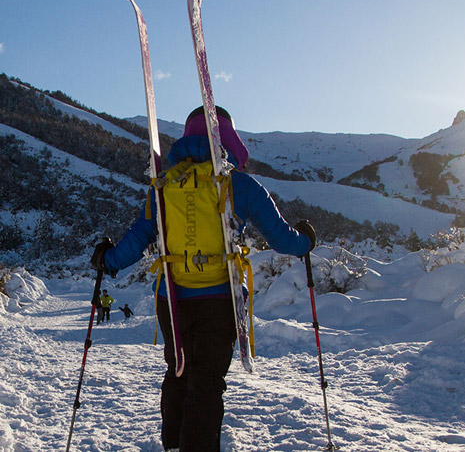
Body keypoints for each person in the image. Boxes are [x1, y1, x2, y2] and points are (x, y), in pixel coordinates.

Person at [91, 105, 316, 452]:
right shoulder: (239, 185)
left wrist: (106, 259)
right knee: (207, 382)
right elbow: (283, 239)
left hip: (173, 299)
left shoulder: (163, 186)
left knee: (178, 372)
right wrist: (307, 240)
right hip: (220, 299)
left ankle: (173, 446)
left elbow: (137, 240)